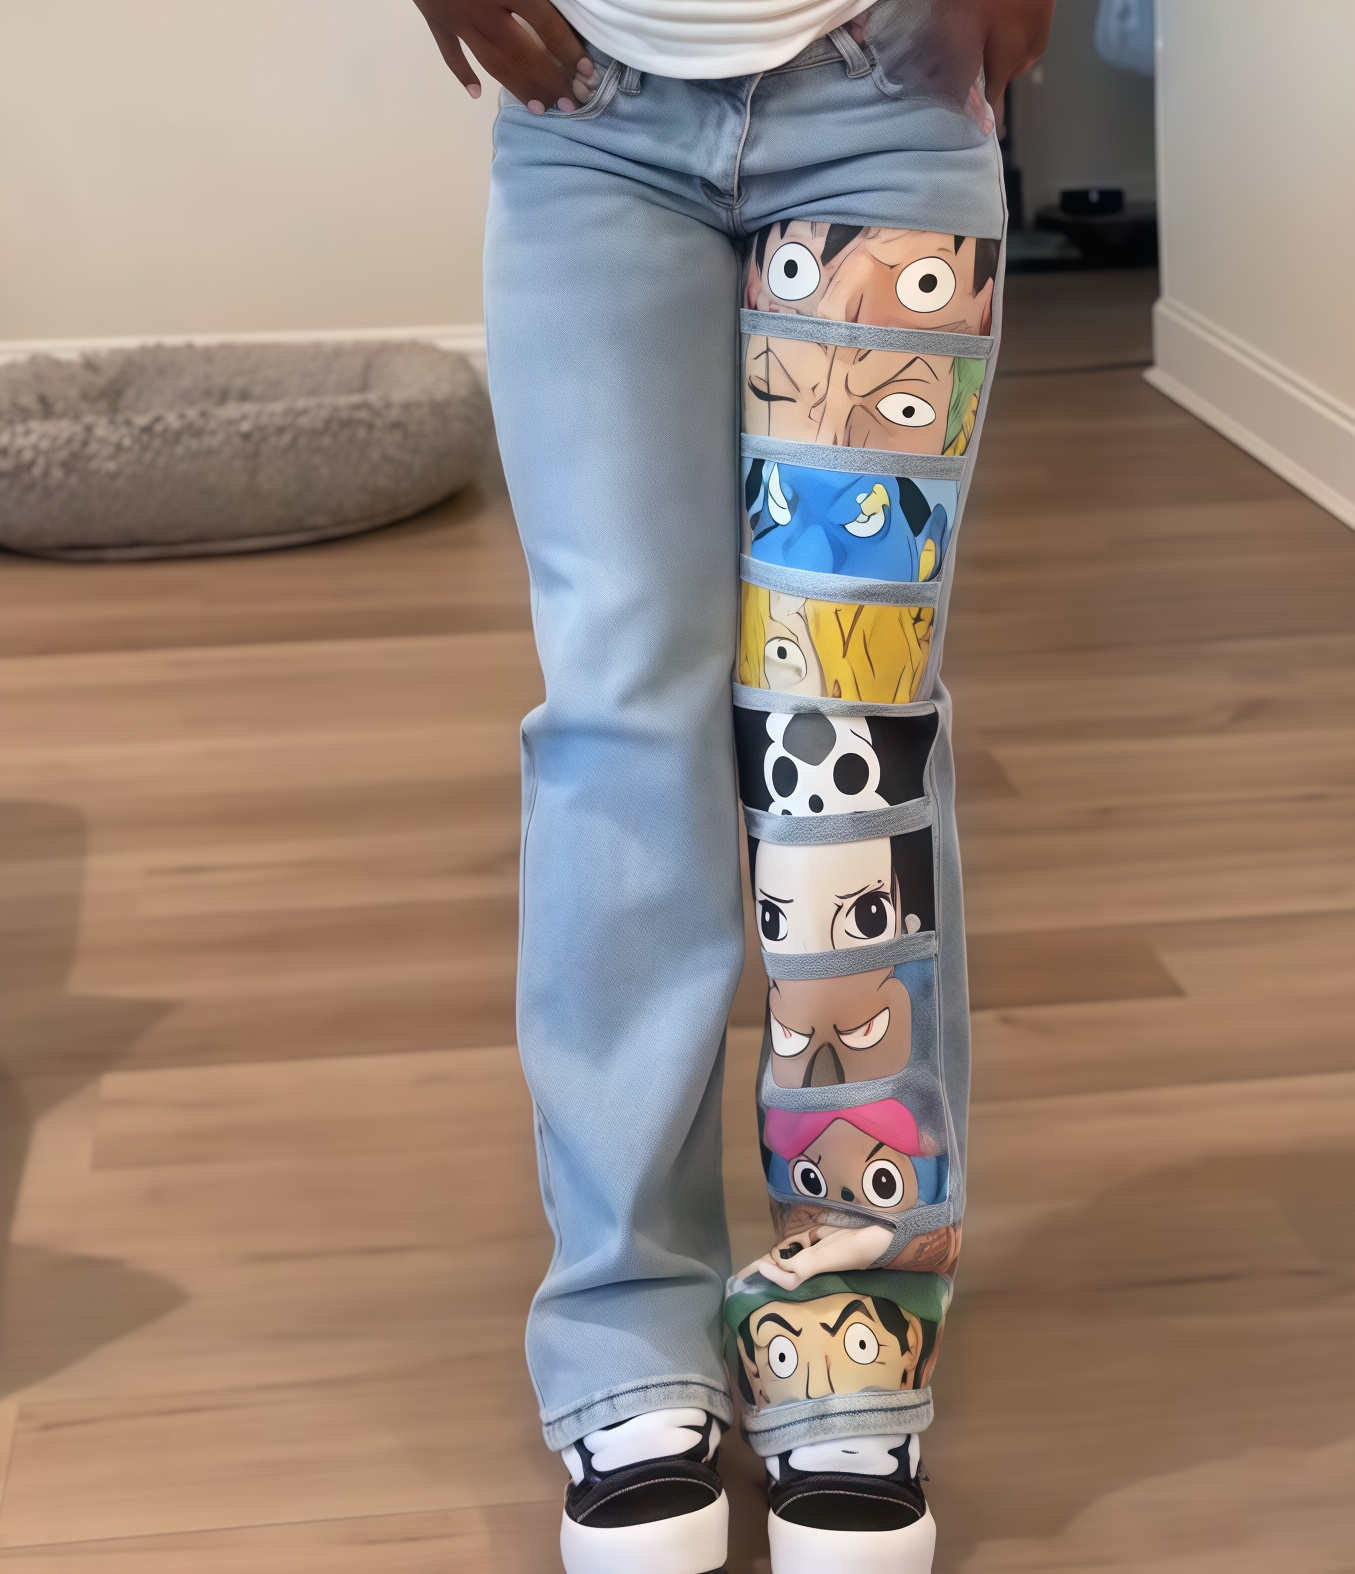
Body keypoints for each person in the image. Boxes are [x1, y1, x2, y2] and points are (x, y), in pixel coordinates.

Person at [409, 2, 1056, 1570]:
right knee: (622, 716)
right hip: (589, 116)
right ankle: (627, 1323)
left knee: (852, 728)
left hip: (891, 98)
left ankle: (852, 1303)